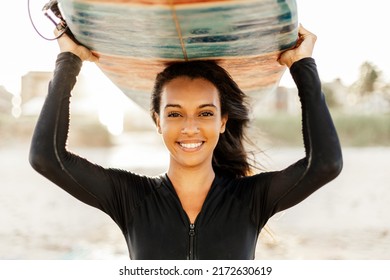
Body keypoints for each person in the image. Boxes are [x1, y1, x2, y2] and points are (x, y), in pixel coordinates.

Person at [29, 24, 343, 260]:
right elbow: (47, 157)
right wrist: (68, 60)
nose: (190, 128)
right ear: (157, 121)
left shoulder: (249, 200)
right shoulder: (132, 198)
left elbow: (325, 164)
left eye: (205, 113)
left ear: (222, 122)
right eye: (175, 114)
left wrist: (302, 66)